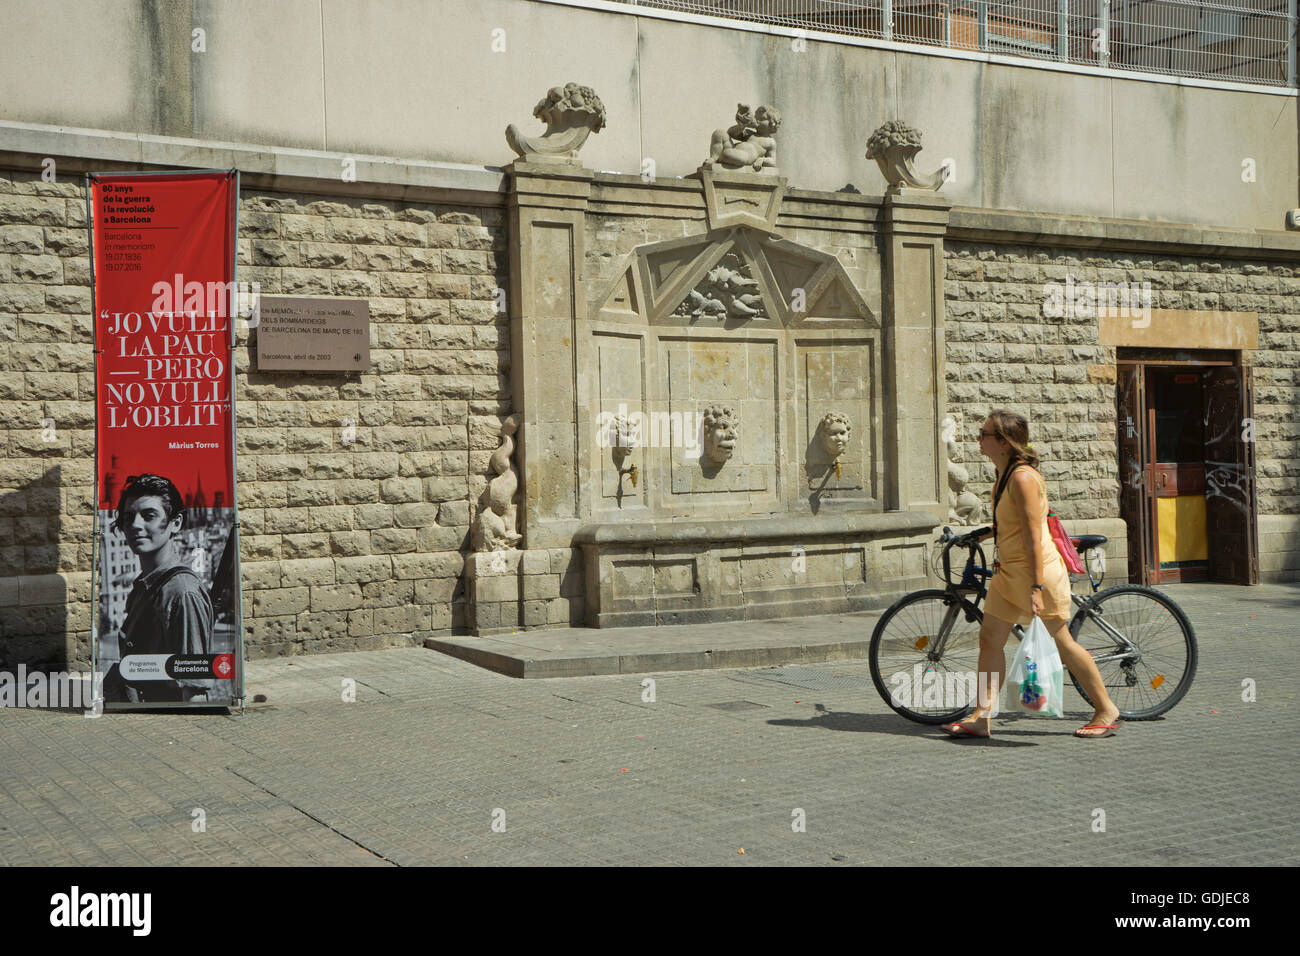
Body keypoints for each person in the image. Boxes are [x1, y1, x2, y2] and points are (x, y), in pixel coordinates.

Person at [940, 410, 1122, 739]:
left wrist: (1036, 587)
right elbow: (1014, 523)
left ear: (1004, 443)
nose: (979, 439)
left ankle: (1106, 708)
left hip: (1035, 573)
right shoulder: (1005, 474)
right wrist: (986, 533)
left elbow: (1034, 537)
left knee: (1063, 643)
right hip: (1009, 572)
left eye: (985, 434)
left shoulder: (1022, 478)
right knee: (989, 641)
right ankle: (982, 716)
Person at [107, 474, 214, 703]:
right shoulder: (145, 585)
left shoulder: (182, 593)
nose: (135, 525)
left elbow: (194, 691)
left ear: (175, 523)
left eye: (149, 515)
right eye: (128, 517)